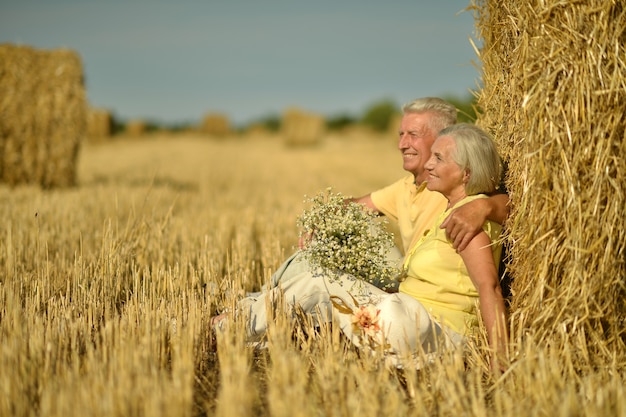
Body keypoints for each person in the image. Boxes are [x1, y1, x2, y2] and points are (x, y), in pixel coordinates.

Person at [213, 123, 509, 371]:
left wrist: (499, 357)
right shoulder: (457, 210)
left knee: (322, 282)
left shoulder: (467, 219)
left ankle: (226, 324)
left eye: (439, 159)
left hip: (428, 325)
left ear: (466, 174)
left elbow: (490, 288)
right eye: (431, 156)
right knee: (317, 307)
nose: (429, 164)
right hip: (413, 319)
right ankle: (238, 324)